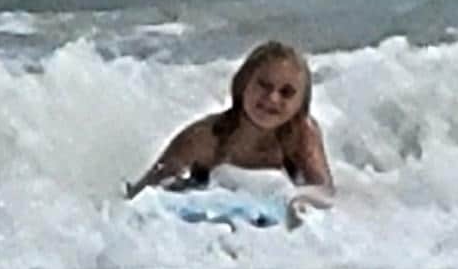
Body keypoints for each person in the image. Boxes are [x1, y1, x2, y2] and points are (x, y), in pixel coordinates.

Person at [124, 40, 333, 203]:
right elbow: (144, 193)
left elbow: (324, 191)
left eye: (286, 92)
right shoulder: (206, 138)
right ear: (243, 84)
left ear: (301, 104)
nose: (272, 98)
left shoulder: (301, 134)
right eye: (264, 85)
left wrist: (297, 201)